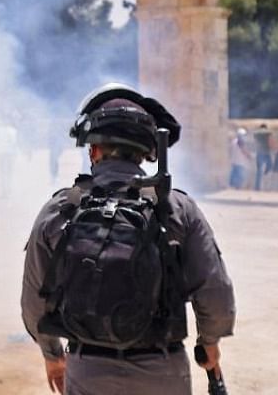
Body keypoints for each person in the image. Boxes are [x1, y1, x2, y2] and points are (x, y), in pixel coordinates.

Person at [22, 85, 235, 395]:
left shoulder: (60, 209)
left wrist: (52, 355)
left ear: (93, 150)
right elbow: (215, 293)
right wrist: (209, 342)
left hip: (87, 369)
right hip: (162, 372)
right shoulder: (177, 208)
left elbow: (34, 301)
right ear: (146, 154)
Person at [253, 124, 276, 191]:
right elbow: (270, 141)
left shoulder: (257, 134)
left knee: (259, 170)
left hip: (259, 152)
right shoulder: (268, 133)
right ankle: (266, 173)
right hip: (266, 152)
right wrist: (273, 148)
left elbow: (255, 142)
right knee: (270, 165)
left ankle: (257, 187)